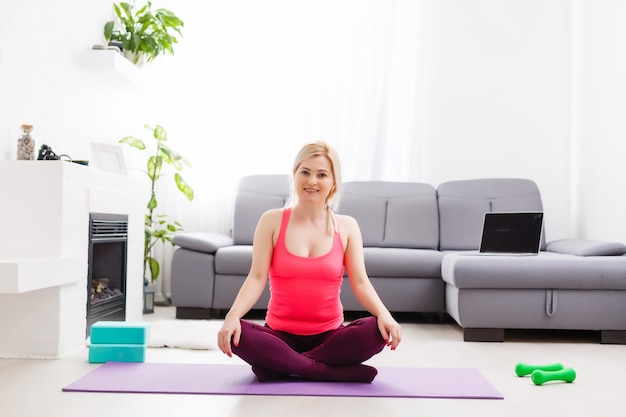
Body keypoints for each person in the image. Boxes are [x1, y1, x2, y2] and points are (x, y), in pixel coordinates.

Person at [217, 141, 402, 383]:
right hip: (279, 336)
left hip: (330, 338)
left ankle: (281, 365)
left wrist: (385, 315)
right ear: (295, 175)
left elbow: (360, 282)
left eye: (321, 174)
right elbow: (256, 277)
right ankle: (324, 371)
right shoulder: (271, 221)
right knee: (235, 334)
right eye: (305, 172)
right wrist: (231, 317)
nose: (311, 181)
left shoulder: (347, 226)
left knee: (377, 331)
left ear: (333, 182)